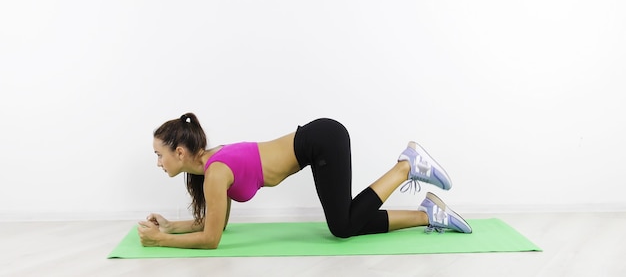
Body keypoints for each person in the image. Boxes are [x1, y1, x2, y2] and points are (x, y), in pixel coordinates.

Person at [138, 114, 472, 249]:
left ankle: (405, 167)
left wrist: (158, 242)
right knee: (346, 222)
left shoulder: (215, 172)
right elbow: (215, 226)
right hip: (319, 141)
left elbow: (211, 240)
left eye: (159, 154)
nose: (157, 162)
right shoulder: (212, 166)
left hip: (322, 140)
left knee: (342, 226)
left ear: (180, 152)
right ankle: (429, 214)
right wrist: (168, 227)